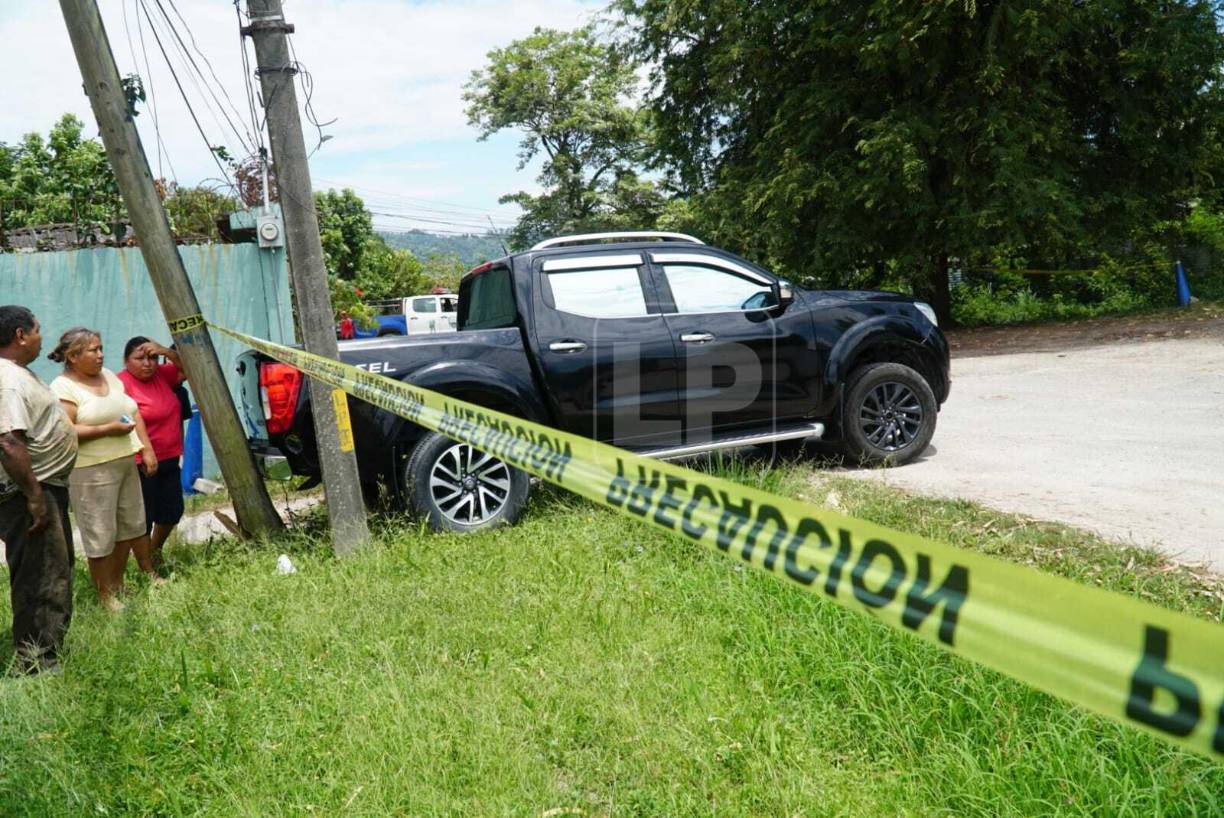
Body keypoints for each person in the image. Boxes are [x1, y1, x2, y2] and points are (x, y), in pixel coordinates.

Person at [49, 328, 162, 609]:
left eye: (100, 348)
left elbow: (132, 413)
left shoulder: (109, 376)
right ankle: (104, 595)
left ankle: (117, 584)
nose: (100, 355)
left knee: (128, 526)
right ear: (73, 356)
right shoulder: (63, 387)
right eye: (93, 350)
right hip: (91, 470)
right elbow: (67, 431)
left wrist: (146, 448)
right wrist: (108, 429)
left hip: (124, 461)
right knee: (100, 532)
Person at [0, 306, 78, 675]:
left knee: (53, 568)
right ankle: (35, 663)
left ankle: (43, 652)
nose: (40, 337)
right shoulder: (7, 380)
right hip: (29, 492)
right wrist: (33, 496)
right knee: (42, 574)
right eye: (37, 330)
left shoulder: (15, 373)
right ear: (20, 335)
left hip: (42, 488)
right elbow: (8, 442)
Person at [117, 336, 187, 570]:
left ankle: (155, 551)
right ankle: (146, 567)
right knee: (143, 517)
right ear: (126, 360)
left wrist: (166, 351)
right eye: (140, 358)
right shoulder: (120, 383)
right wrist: (144, 451)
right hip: (141, 461)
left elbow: (190, 370)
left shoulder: (162, 375)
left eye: (153, 358)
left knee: (172, 511)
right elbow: (123, 421)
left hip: (169, 456)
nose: (147, 363)